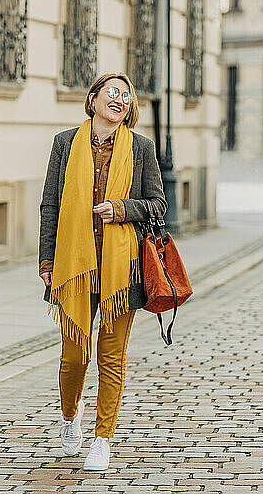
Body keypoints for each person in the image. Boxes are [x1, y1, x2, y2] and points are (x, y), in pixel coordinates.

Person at [38, 72, 167, 471]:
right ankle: (69, 417)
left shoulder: (141, 149)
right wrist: (46, 260)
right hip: (73, 268)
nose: (120, 100)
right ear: (92, 98)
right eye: (112, 92)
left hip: (121, 269)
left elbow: (159, 205)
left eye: (126, 96)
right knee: (74, 357)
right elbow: (50, 206)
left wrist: (123, 209)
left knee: (112, 358)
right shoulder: (64, 144)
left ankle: (102, 439)